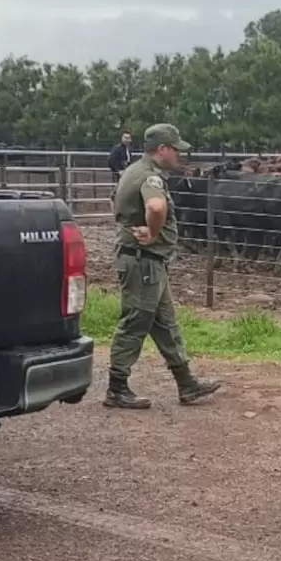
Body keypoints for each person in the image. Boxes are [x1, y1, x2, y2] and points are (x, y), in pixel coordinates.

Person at [105, 123, 220, 409]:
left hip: (146, 262)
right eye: (176, 150)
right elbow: (156, 207)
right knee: (135, 321)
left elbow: (113, 199)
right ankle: (116, 388)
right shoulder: (150, 177)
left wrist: (127, 225)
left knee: (165, 323)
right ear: (162, 149)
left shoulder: (132, 170)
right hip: (143, 261)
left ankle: (187, 384)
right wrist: (153, 233)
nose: (179, 156)